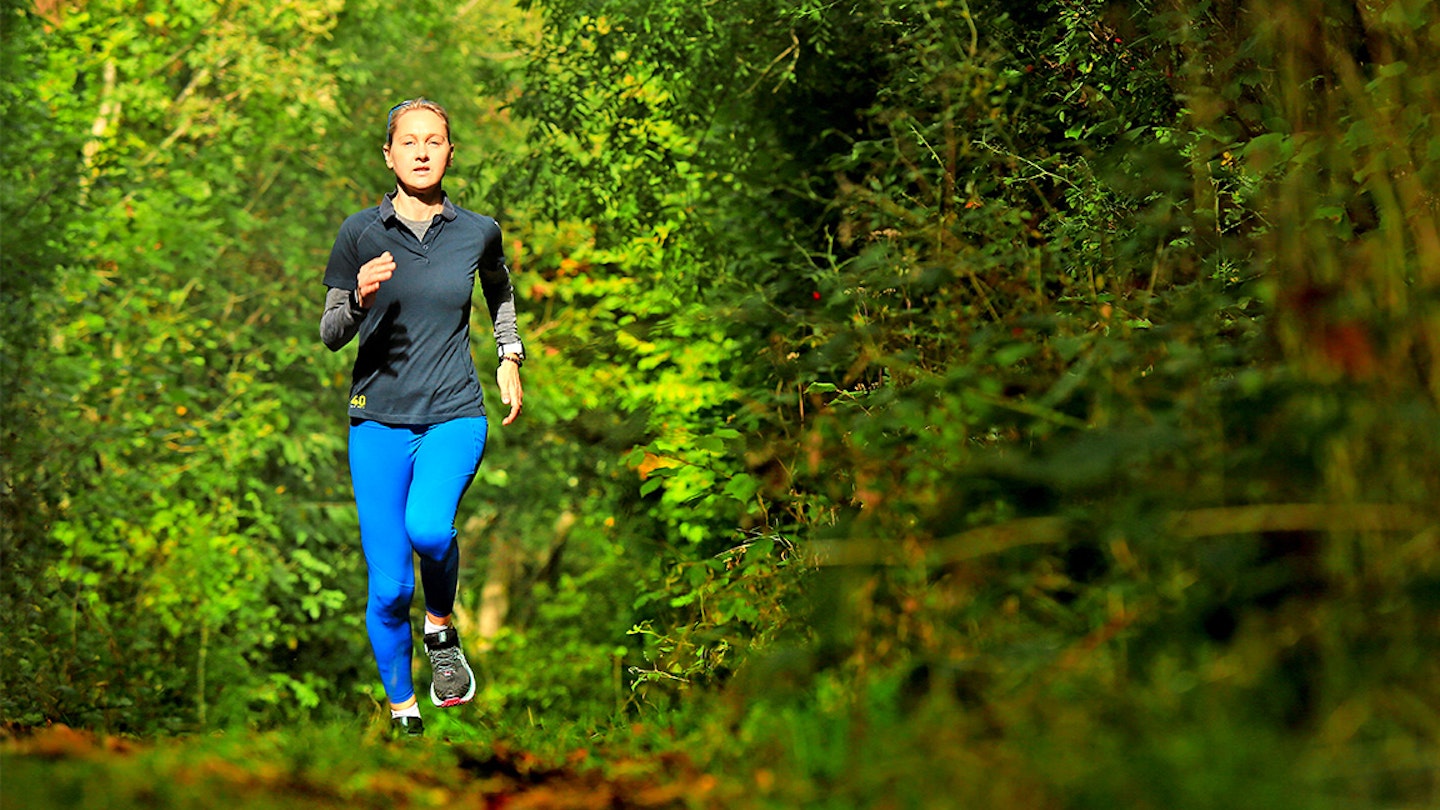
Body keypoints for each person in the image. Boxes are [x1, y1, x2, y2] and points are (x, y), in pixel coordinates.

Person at [319, 98, 525, 738]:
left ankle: (440, 627)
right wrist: (357, 298)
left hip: (454, 412)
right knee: (385, 591)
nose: (422, 151)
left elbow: (501, 287)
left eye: (434, 140)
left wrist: (509, 353)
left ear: (449, 152)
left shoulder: (477, 230)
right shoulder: (359, 233)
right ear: (389, 153)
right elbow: (330, 333)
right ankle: (405, 714)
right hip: (375, 421)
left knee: (430, 529)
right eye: (409, 141)